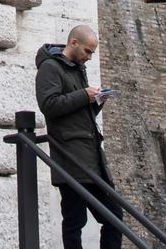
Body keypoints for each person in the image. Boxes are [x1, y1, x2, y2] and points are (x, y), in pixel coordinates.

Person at [35, 24, 123, 249]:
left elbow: (79, 113)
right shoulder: (50, 67)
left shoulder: (77, 68)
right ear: (74, 42)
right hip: (70, 158)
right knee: (75, 222)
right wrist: (84, 95)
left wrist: (96, 101)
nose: (90, 57)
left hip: (92, 158)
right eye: (88, 51)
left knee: (114, 217)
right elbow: (49, 105)